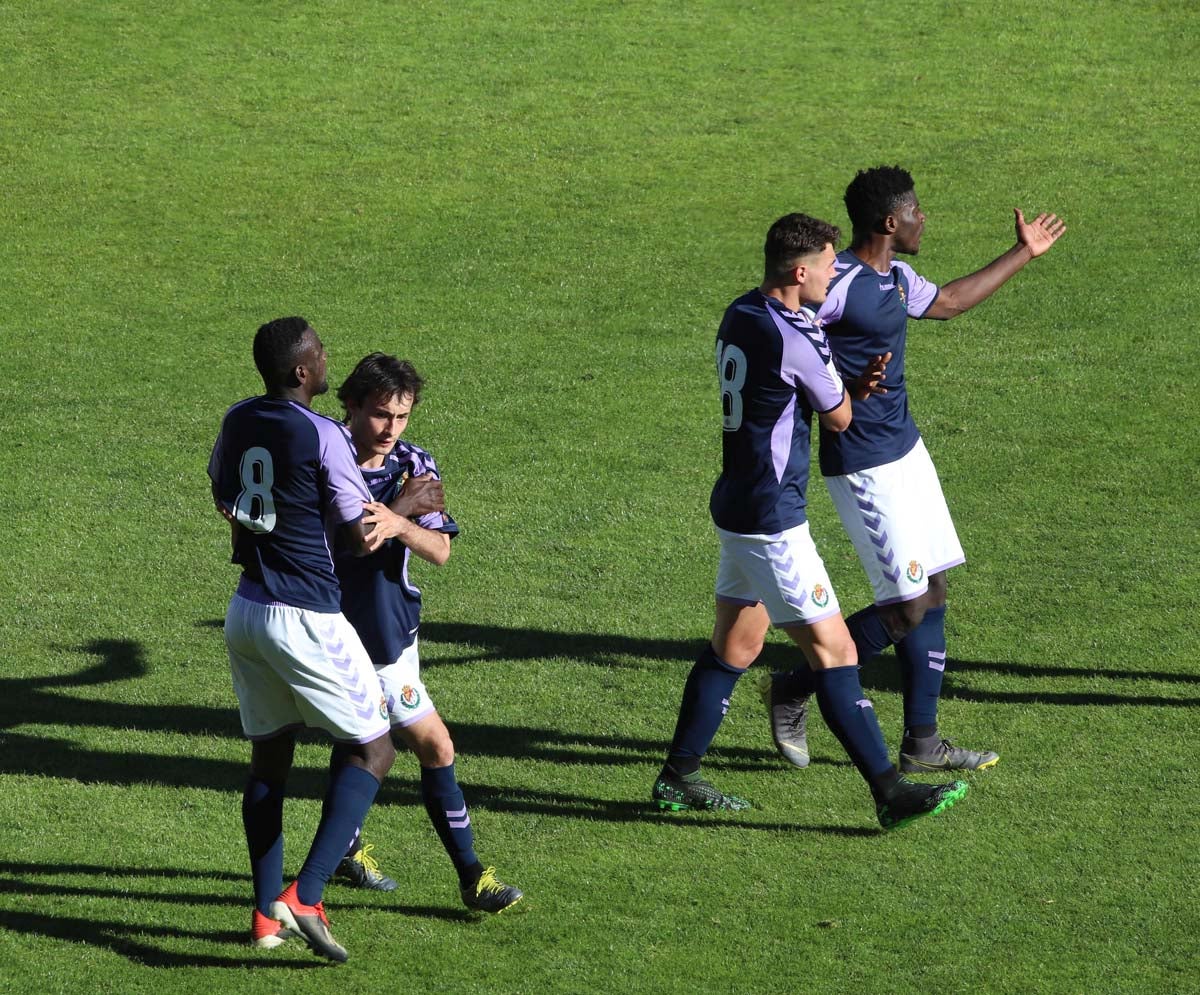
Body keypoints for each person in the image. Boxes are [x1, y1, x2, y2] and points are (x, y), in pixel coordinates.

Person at [652, 213, 968, 831]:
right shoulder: (798, 334)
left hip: (738, 502)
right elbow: (840, 418)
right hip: (773, 518)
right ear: (800, 272)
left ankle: (677, 776)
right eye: (827, 264)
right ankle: (890, 793)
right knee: (836, 651)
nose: (834, 272)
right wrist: (852, 388)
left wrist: (837, 385)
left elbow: (789, 388)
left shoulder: (741, 312)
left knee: (736, 646)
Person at [759, 166, 1066, 773]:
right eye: (916, 211)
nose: (924, 219)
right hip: (862, 463)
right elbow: (787, 349)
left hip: (906, 450)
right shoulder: (836, 283)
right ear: (889, 221)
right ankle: (792, 688)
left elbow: (948, 302)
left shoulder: (896, 278)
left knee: (934, 589)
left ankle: (922, 744)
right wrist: (839, 386)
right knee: (905, 606)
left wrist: (1024, 252)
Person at [208, 317, 409, 962]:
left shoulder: (238, 418)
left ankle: (264, 918)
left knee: (270, 759)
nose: (327, 358)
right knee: (375, 747)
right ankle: (307, 895)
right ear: (302, 370)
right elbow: (361, 536)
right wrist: (407, 507)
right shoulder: (324, 434)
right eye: (320, 351)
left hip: (247, 609)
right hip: (305, 616)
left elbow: (225, 497)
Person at [330, 352, 523, 913]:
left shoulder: (414, 463)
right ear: (350, 405)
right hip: (342, 633)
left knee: (360, 742)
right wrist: (392, 516)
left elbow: (439, 549)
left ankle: (343, 852)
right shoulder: (325, 455)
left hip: (395, 631)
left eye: (402, 415)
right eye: (380, 414)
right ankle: (472, 878)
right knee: (434, 745)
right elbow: (352, 542)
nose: (391, 428)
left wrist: (399, 523)